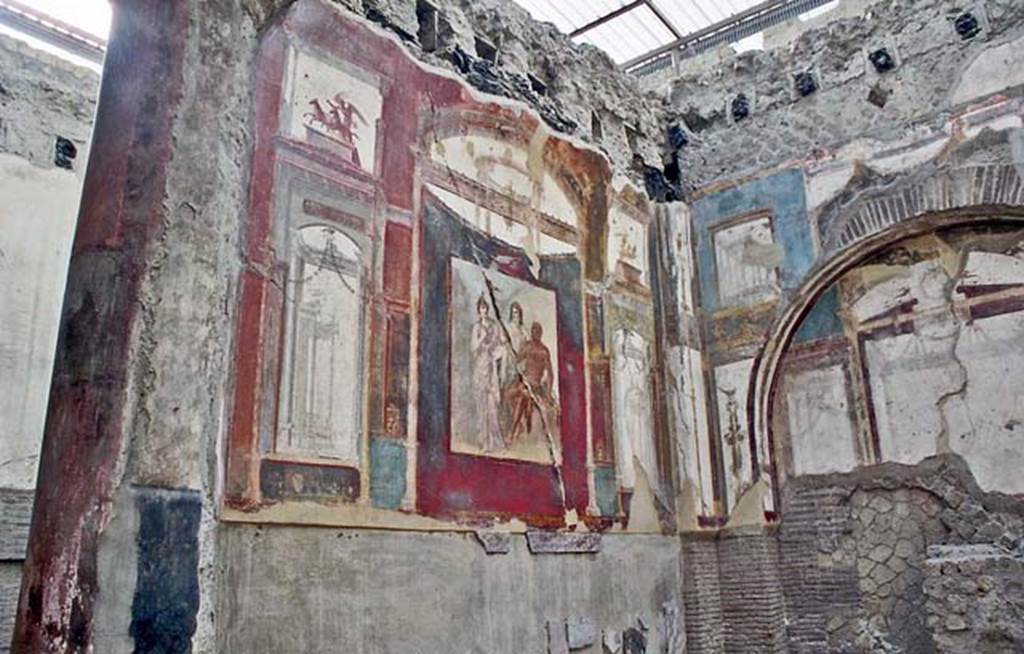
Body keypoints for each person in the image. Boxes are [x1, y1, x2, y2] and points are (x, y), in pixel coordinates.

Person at [505, 321, 556, 441]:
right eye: (533, 330)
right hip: (524, 381)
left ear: (540, 333)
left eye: (537, 331)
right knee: (507, 394)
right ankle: (522, 420)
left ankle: (512, 432)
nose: (535, 333)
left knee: (523, 398)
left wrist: (548, 393)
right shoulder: (527, 346)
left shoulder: (544, 351)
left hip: (535, 385)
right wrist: (511, 351)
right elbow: (517, 359)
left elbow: (550, 374)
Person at [470, 295, 504, 452]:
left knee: (492, 406)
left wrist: (498, 352)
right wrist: (482, 337)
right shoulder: (476, 328)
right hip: (480, 368)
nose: (483, 311)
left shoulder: (494, 326)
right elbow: (473, 349)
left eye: (485, 308)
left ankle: (497, 442)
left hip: (491, 367)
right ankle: (484, 443)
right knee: (481, 406)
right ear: (478, 311)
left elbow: (499, 343)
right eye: (481, 308)